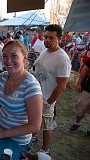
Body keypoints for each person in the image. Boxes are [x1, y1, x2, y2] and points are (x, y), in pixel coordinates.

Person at [34, 24, 71, 154]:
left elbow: (62, 86)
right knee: (34, 118)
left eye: (51, 38)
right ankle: (33, 137)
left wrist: (49, 102)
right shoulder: (45, 51)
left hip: (47, 98)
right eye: (46, 37)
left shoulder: (62, 58)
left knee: (47, 125)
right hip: (37, 95)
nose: (47, 40)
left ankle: (45, 150)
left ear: (59, 39)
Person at [69, 59, 90, 133]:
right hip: (88, 89)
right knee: (81, 106)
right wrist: (79, 83)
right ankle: (77, 123)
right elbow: (86, 68)